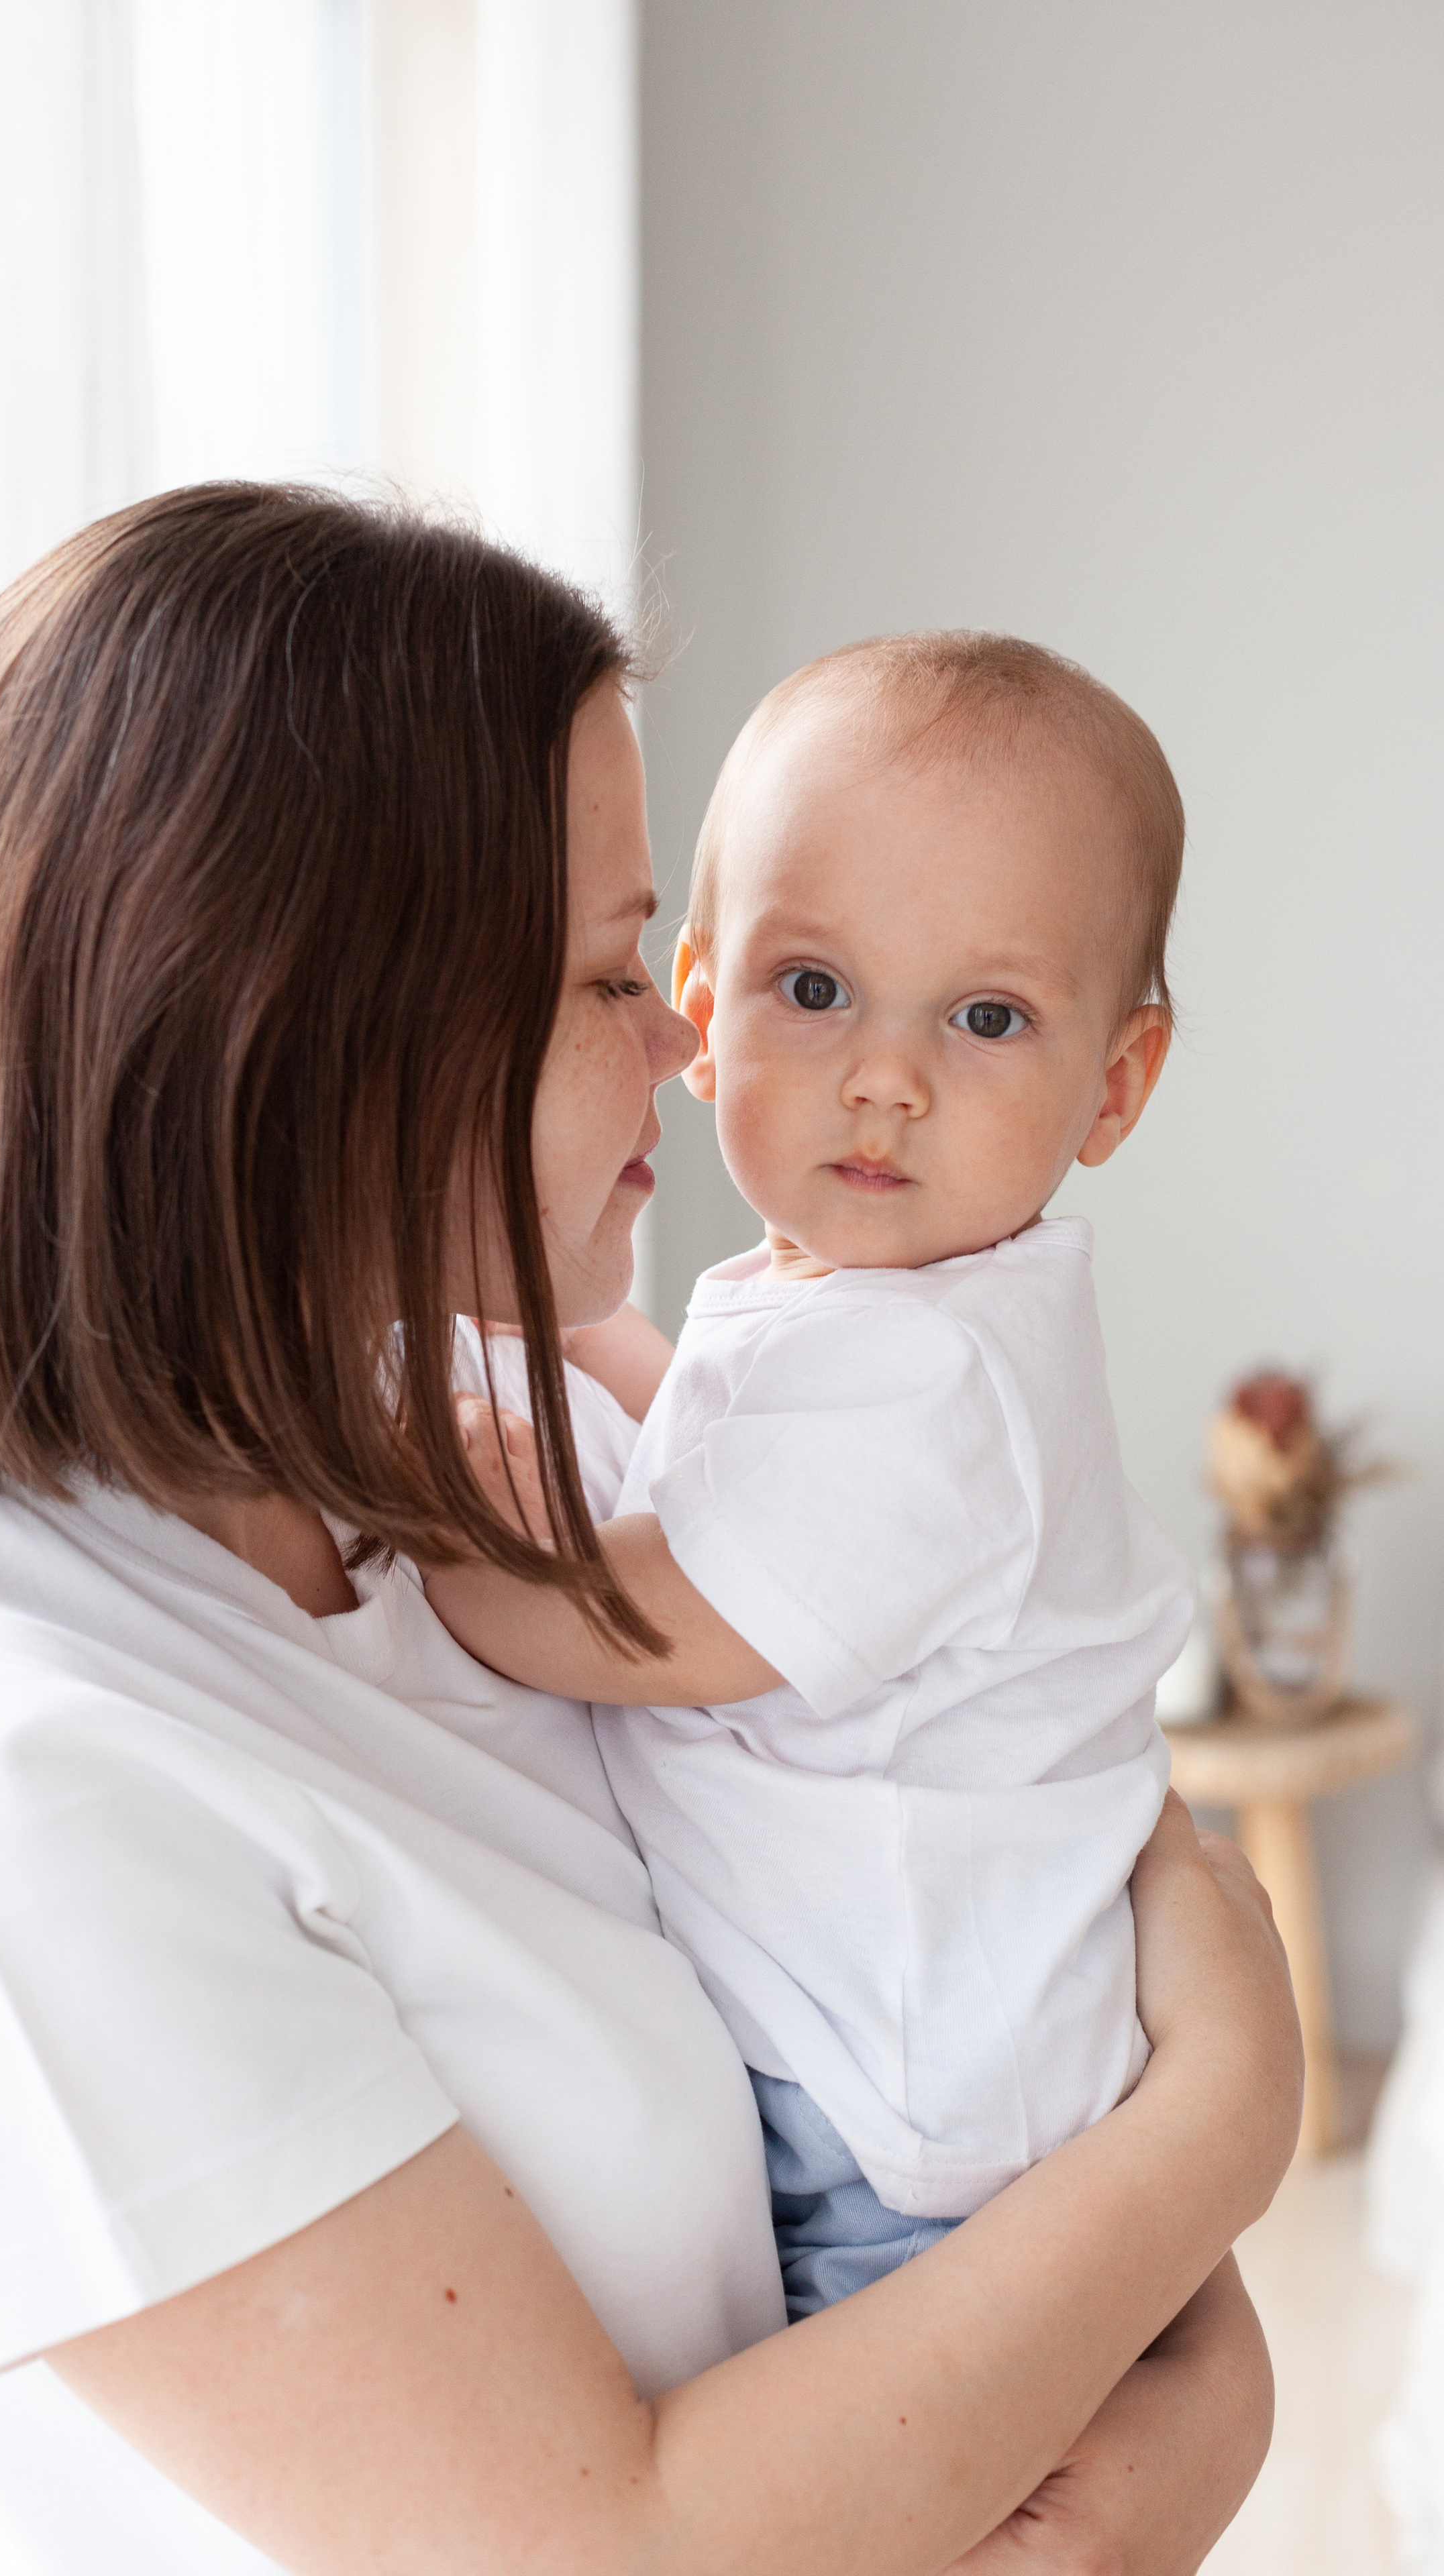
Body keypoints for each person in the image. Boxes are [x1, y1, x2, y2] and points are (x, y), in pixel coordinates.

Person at [0, 485, 1298, 2576]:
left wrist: (1193, 2405)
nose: (687, 1042)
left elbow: (1010, 1864)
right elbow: (611, 2555)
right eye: (612, 973)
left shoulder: (480, 1415)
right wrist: (1224, 2119)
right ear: (315, 1032)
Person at [429, 633, 1194, 2318]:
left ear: (1115, 1083)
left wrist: (489, 1554)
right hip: (877, 2063)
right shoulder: (864, 1305)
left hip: (912, 2137)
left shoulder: (936, 1376)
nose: (882, 1078)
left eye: (985, 1018)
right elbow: (725, 1446)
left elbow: (667, 1626)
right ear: (699, 1013)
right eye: (813, 988)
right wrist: (581, 1347)